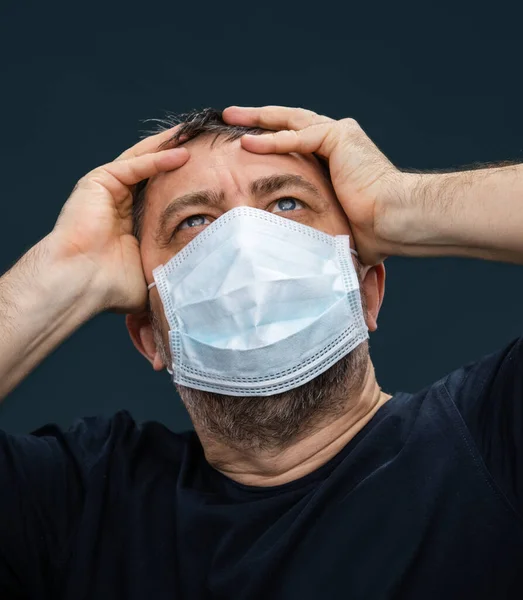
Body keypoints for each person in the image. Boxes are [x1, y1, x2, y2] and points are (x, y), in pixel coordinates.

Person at [0, 105, 522, 600]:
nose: (246, 247)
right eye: (196, 222)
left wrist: (398, 203)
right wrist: (64, 271)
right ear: (152, 336)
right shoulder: (83, 507)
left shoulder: (491, 437)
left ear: (366, 292)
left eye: (286, 204)